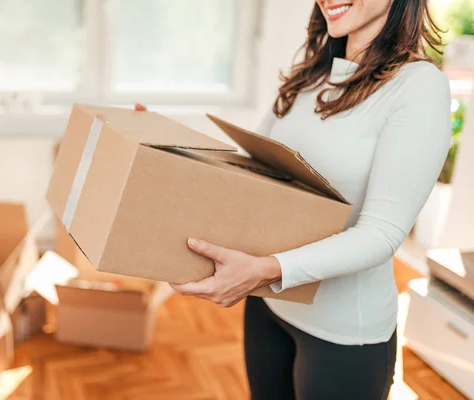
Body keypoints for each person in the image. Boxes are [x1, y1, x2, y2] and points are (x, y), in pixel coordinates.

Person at [139, 0, 451, 398]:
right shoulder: (312, 72)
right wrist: (163, 142)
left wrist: (267, 269)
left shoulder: (418, 86)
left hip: (341, 332)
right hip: (269, 305)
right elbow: (253, 169)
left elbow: (381, 234)